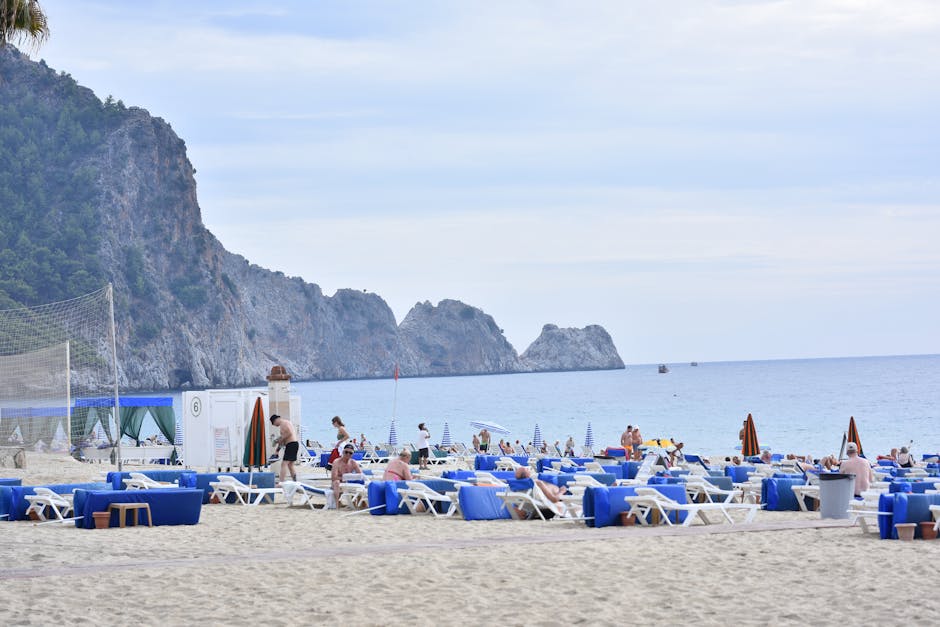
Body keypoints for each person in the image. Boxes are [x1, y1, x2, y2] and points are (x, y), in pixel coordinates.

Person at [270, 414, 298, 484]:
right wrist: (277, 451)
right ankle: (295, 481)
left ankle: (281, 482)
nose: (274, 425)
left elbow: (289, 433)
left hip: (291, 444)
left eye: (273, 423)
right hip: (292, 444)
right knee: (290, 465)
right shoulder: (283, 425)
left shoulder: (284, 423)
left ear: (276, 420)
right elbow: (282, 441)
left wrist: (279, 439)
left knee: (284, 464)